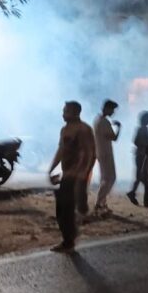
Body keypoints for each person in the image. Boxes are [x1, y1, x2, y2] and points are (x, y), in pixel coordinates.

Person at [48, 101, 97, 253]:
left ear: (75, 112)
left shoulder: (83, 129)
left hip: (76, 176)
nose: (63, 114)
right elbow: (61, 150)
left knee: (67, 209)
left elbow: (89, 153)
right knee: (61, 209)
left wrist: (83, 174)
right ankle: (69, 238)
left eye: (66, 111)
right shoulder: (65, 129)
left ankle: (69, 241)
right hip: (66, 174)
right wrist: (51, 168)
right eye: (63, 111)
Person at [93, 100, 122, 214]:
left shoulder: (97, 119)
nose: (113, 112)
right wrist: (119, 127)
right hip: (106, 153)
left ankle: (102, 203)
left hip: (101, 152)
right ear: (106, 108)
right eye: (112, 110)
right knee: (110, 178)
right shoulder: (104, 122)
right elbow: (114, 138)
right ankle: (99, 203)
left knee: (104, 178)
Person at [127, 111, 148, 207]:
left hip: (142, 155)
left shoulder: (144, 129)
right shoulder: (142, 129)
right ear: (144, 120)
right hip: (142, 155)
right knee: (144, 179)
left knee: (141, 177)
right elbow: (136, 141)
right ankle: (147, 201)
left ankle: (133, 193)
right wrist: (145, 146)